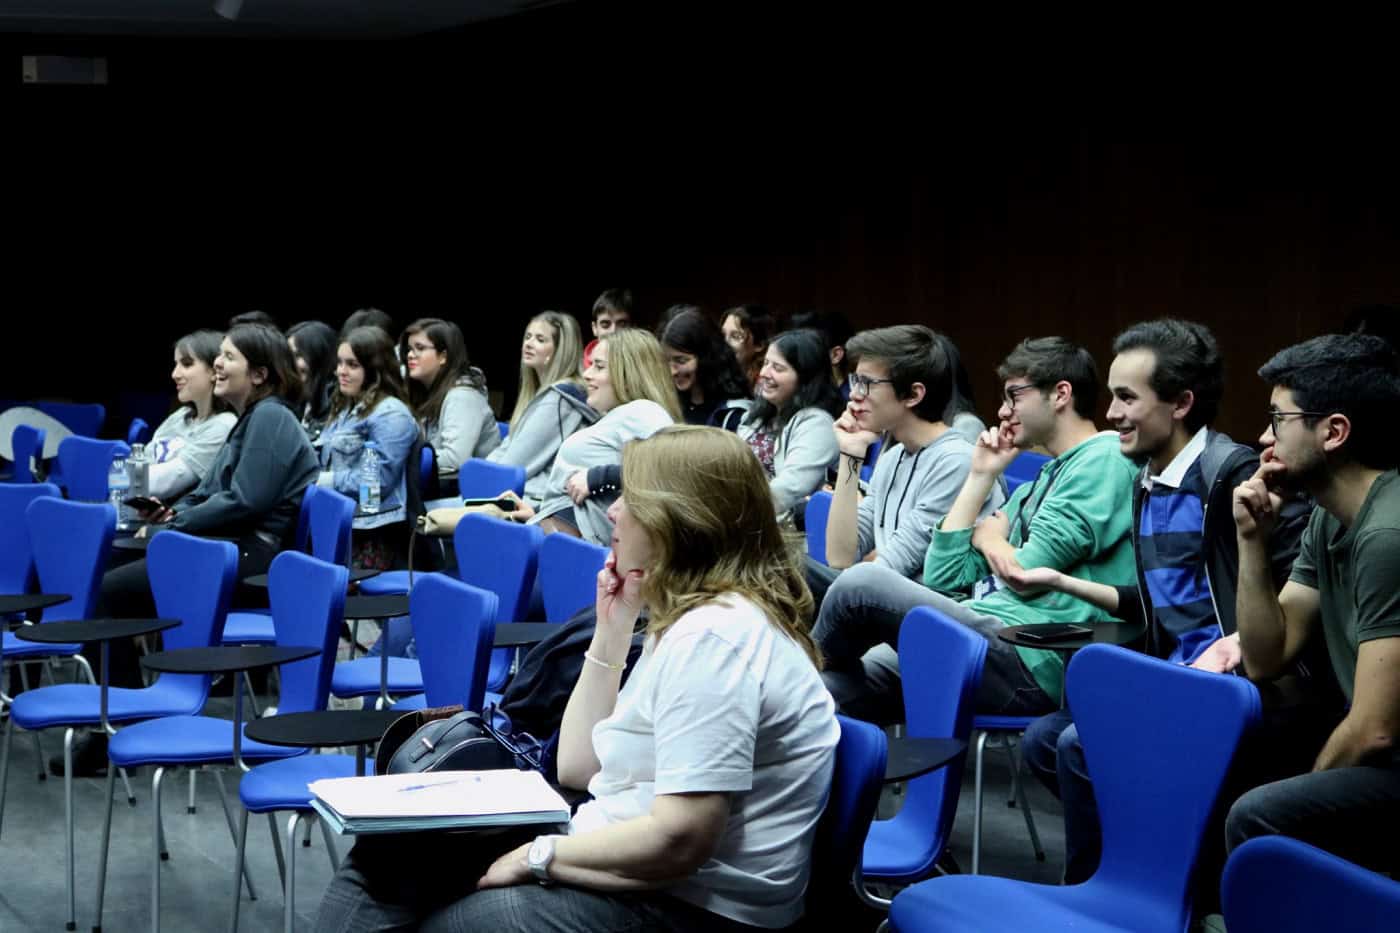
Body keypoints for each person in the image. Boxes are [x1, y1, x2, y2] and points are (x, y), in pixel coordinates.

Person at [313, 426, 839, 933]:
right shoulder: (686, 619)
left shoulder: (716, 638)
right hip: (636, 863)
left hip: (692, 906)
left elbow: (683, 839)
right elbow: (580, 766)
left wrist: (539, 856)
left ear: (679, 522)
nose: (613, 511)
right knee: (387, 856)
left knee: (451, 920)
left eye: (632, 499)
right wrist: (612, 630)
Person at [1015, 320, 1322, 886]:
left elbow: (1303, 594)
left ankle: (1112, 896)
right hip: (1176, 677)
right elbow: (1167, 601)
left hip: (1243, 691)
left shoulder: (1234, 475)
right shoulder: (1147, 480)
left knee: (1081, 746)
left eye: (1127, 397)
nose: (1109, 413)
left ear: (1181, 403)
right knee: (1042, 741)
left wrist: (1233, 645)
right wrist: (1062, 582)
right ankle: (1149, 871)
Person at [811, 336, 1137, 724]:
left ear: (1060, 394)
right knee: (822, 696)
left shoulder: (1104, 459)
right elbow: (944, 577)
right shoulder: (1042, 479)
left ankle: (787, 678)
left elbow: (1024, 576)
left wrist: (991, 536)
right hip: (981, 629)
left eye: (1014, 395)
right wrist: (981, 476)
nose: (1002, 411)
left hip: (1031, 657)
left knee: (860, 586)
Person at [61, 324, 320, 777]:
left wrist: (178, 523)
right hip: (226, 549)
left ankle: (124, 726)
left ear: (259, 374)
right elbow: (208, 492)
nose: (218, 364)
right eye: (218, 355)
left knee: (109, 595)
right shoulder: (250, 419)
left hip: (250, 560)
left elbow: (246, 500)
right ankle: (127, 720)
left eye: (228, 357)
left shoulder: (272, 417)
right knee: (109, 573)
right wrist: (173, 517)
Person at [1224, 333, 1400, 872]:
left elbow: (1375, 729)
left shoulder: (1387, 534)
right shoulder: (1330, 517)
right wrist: (1251, 539)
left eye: (1278, 420)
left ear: (1334, 431)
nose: (1263, 437)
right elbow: (1265, 657)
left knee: (1262, 816)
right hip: (1377, 749)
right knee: (1214, 752)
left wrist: (1308, 792)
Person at [814, 326, 997, 603]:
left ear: (913, 395)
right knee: (787, 571)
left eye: (867, 383)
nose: (854, 395)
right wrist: (851, 454)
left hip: (929, 615)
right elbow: (840, 556)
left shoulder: (955, 462)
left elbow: (887, 571)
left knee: (799, 576)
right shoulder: (891, 459)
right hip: (885, 601)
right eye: (855, 380)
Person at [515, 329, 681, 545]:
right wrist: (538, 511)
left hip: (580, 554)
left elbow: (671, 470)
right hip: (561, 541)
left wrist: (599, 478)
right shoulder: (621, 415)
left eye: (599, 366)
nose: (586, 374)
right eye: (591, 364)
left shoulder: (644, 410)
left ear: (628, 376)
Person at [316, 325, 420, 569]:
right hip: (338, 520)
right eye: (340, 363)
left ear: (375, 370)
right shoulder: (347, 406)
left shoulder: (391, 414)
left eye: (352, 365)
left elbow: (376, 485)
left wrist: (323, 481)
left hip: (371, 532)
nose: (341, 371)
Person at [487, 311, 594, 508]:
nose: (528, 343)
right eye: (527, 337)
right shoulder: (541, 393)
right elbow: (509, 445)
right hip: (521, 495)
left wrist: (482, 476)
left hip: (539, 503)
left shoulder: (559, 400)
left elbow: (513, 464)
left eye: (540, 339)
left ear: (560, 350)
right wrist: (483, 471)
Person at [736, 328, 843, 522]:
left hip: (783, 532)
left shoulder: (818, 424)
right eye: (765, 363)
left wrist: (734, 511)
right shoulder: (757, 414)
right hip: (745, 520)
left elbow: (790, 489)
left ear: (805, 378)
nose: (764, 374)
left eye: (777, 368)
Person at [144, 329, 237, 502]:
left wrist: (123, 477)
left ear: (214, 370)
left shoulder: (224, 425)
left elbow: (158, 484)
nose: (175, 374)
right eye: (175, 364)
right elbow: (141, 462)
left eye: (186, 364)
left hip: (175, 524)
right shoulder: (181, 415)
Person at [400, 317, 500, 475]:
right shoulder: (425, 392)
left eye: (419, 348)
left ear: (443, 356)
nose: (411, 355)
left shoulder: (462, 397)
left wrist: (401, 460)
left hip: (471, 492)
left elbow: (455, 459)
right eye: (409, 349)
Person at [658, 308, 752, 428]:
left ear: (707, 356)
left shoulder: (733, 414)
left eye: (681, 361)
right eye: (665, 361)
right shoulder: (665, 408)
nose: (672, 371)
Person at [287, 320, 338, 442]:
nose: (289, 364)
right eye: (288, 356)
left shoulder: (338, 403)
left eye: (297, 355)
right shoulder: (298, 400)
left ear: (319, 356)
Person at [722, 304, 775, 388]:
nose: (725, 342)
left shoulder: (764, 385)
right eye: (722, 334)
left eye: (736, 336)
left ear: (759, 345)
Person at [582, 288, 633, 370]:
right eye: (605, 325)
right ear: (594, 328)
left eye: (622, 324)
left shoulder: (645, 365)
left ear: (632, 327)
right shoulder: (579, 369)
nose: (613, 331)